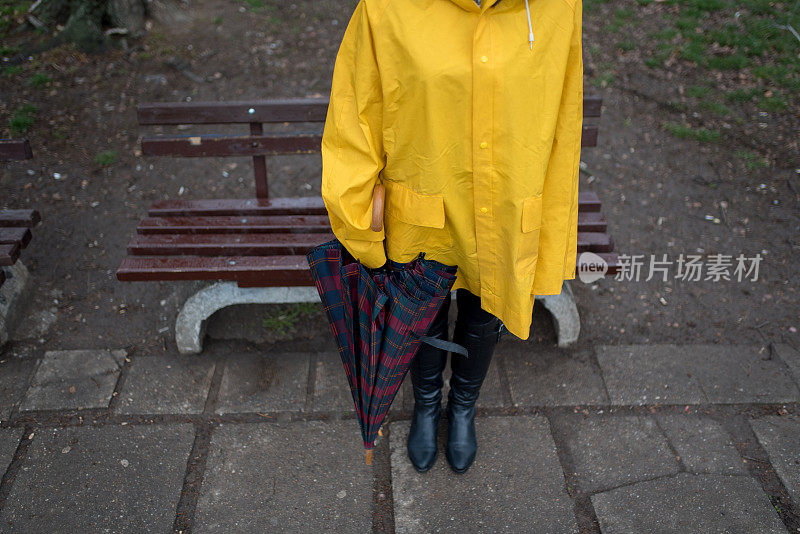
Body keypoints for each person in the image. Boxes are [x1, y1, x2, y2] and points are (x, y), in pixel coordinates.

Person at [320, 0, 584, 473]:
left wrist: (552, 222)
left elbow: (564, 118)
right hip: (423, 206)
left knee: (486, 311)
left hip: (504, 208)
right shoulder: (386, 9)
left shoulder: (557, 8)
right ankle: (425, 404)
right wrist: (359, 222)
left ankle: (462, 406)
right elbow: (354, 117)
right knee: (422, 311)